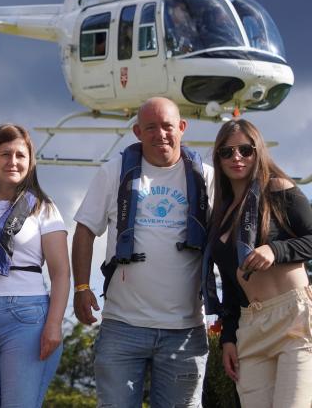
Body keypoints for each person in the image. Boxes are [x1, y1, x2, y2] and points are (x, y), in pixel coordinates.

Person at [72, 97, 214, 408]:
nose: (160, 134)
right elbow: (84, 230)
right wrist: (81, 288)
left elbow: (228, 239)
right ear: (137, 131)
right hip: (123, 326)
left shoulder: (206, 177)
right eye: (151, 127)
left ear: (182, 128)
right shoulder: (115, 171)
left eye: (168, 126)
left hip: (185, 328)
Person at [205, 119, 312, 407]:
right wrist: (228, 337)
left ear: (258, 151)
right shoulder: (221, 215)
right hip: (251, 326)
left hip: (294, 319)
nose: (236, 157)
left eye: (244, 149)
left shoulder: (277, 189)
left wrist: (276, 250)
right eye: (226, 152)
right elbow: (230, 283)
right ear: (218, 159)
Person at [0, 124, 70, 407]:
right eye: (5, 154)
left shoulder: (43, 208)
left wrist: (54, 324)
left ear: (30, 162)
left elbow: (60, 273)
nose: (13, 162)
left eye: (21, 155)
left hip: (26, 319)